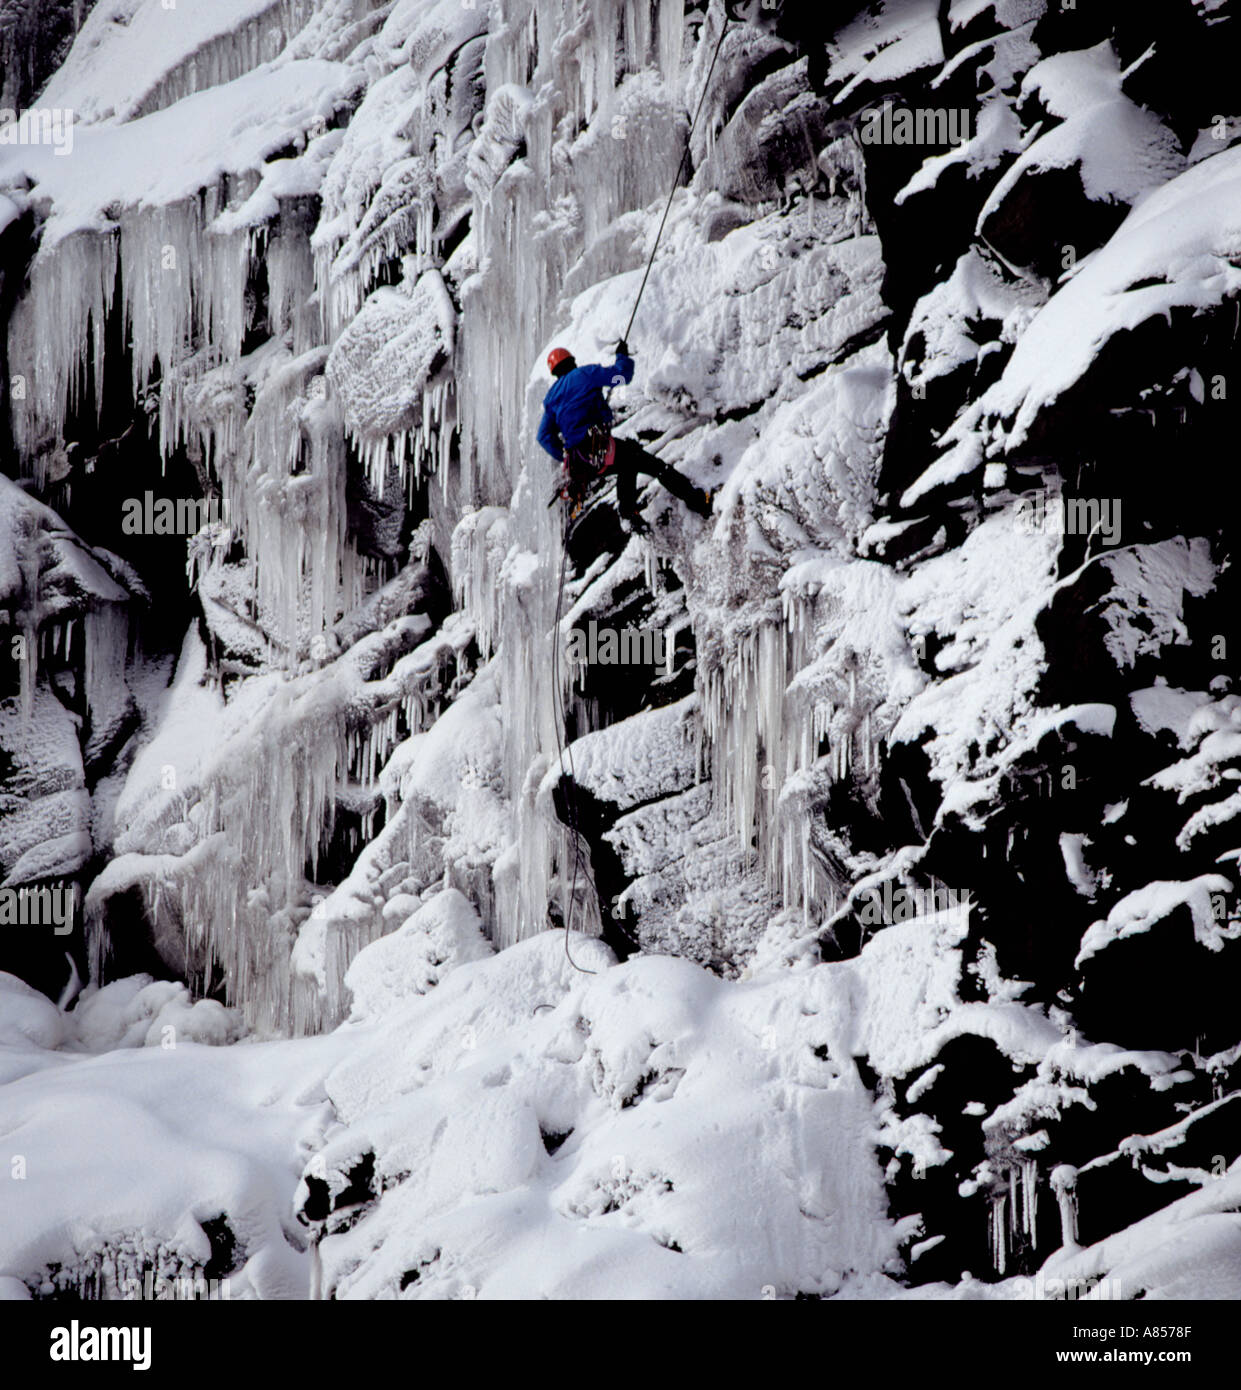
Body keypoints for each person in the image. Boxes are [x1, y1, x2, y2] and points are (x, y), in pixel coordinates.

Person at [537, 341, 712, 532]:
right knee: (655, 466)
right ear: (572, 362)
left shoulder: (551, 398)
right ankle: (697, 502)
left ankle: (628, 514)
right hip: (599, 447)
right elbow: (622, 377)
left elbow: (544, 436)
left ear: (555, 372)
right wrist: (622, 357)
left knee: (627, 462)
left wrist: (563, 455)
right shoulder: (585, 375)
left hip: (580, 463)